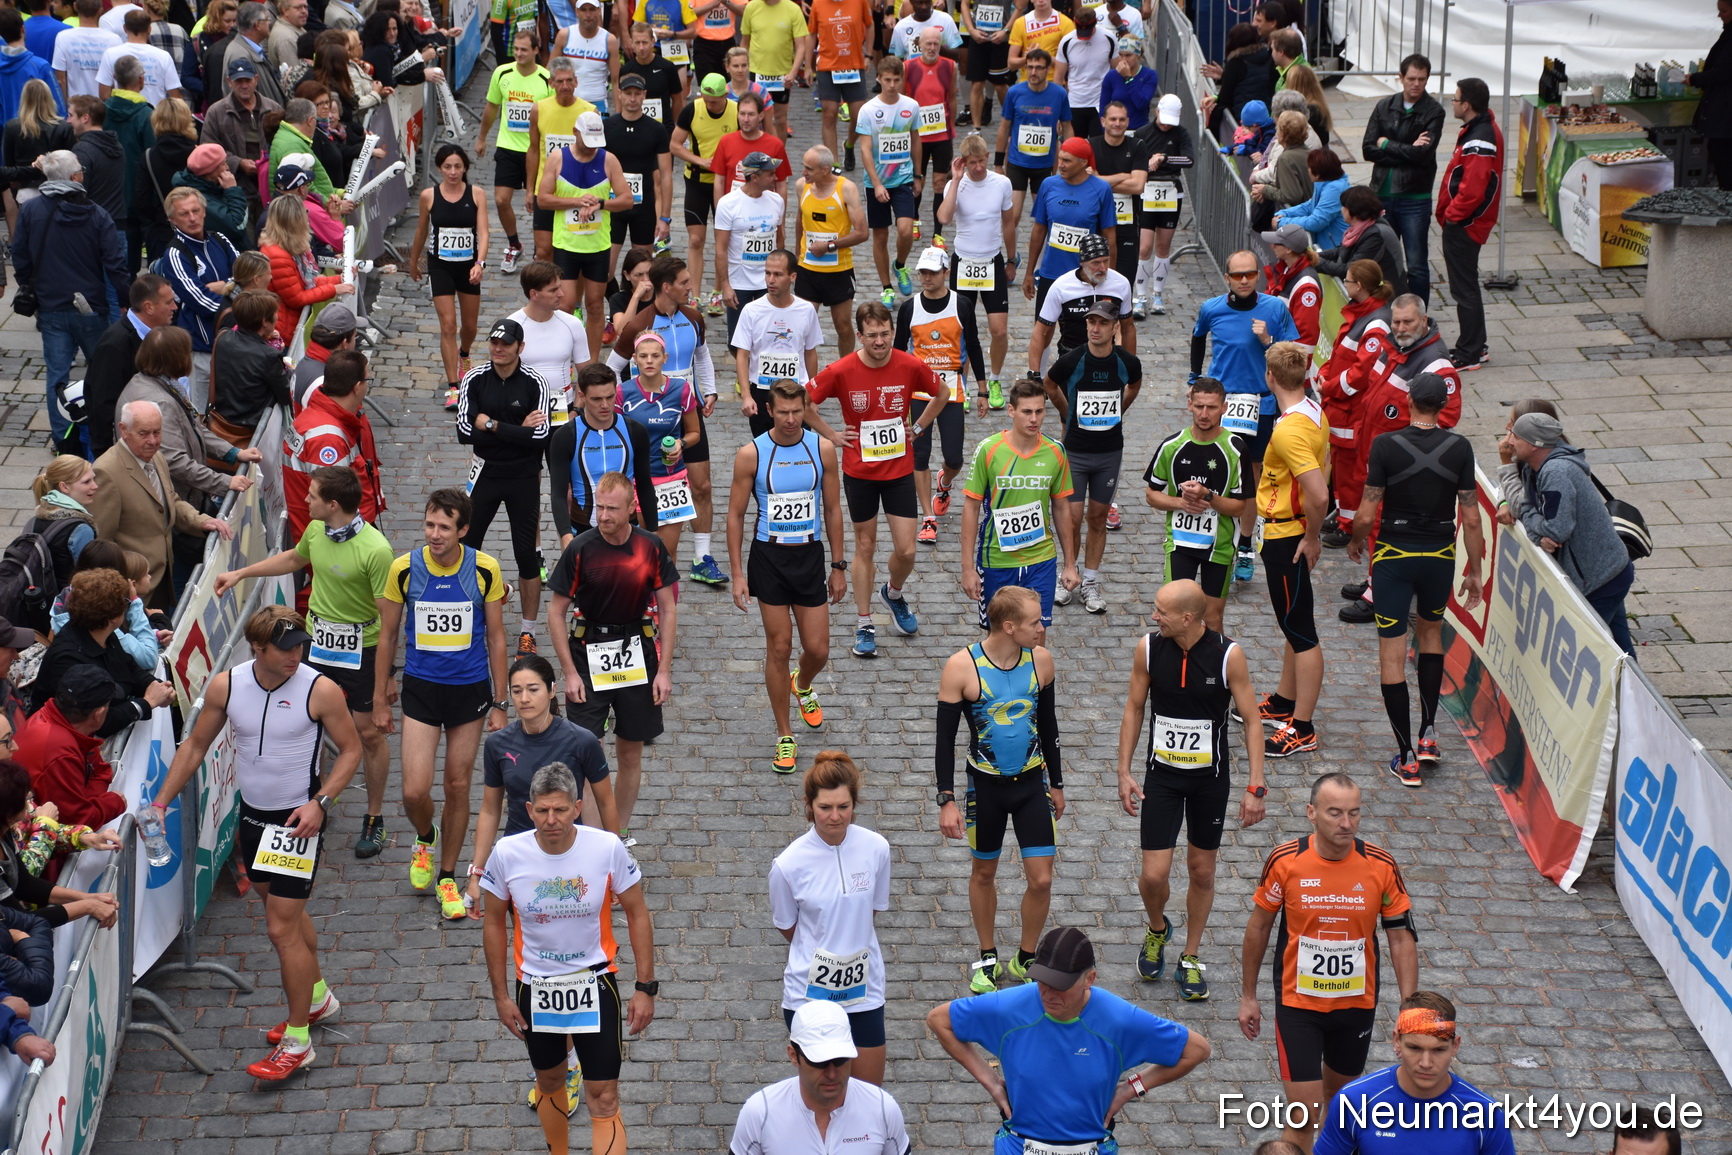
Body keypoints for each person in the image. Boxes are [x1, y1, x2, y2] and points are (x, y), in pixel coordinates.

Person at [151, 607, 361, 1080]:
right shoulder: (228, 685)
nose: (296, 654)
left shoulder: (319, 688)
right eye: (286, 648)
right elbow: (195, 747)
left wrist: (321, 803)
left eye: (300, 645)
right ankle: (318, 998)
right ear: (258, 649)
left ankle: (298, 1040)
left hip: (297, 823)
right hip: (252, 819)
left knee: (280, 928)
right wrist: (160, 804)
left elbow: (351, 750)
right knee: (287, 915)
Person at [214, 465, 395, 858]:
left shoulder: (377, 550)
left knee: (366, 734)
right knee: (312, 721)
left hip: (361, 647)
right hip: (316, 644)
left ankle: (374, 816)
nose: (304, 500)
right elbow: (294, 561)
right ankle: (316, 802)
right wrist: (241, 573)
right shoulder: (316, 530)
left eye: (312, 496)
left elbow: (392, 620)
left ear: (333, 504)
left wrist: (386, 683)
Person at [1239, 772, 1420, 1151]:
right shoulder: (1286, 861)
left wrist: (1410, 1007)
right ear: (1311, 813)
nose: (1346, 824)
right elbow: (1258, 928)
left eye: (1354, 813)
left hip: (1354, 1005)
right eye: (1335, 813)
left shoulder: (1381, 865)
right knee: (1304, 1112)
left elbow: (1400, 937)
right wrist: (1248, 995)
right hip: (1298, 1004)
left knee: (1339, 1109)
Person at [481, 762, 655, 1155]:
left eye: (560, 810)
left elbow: (637, 912)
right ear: (529, 811)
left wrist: (646, 987)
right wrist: (501, 996)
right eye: (542, 811)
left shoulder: (606, 847)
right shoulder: (507, 854)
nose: (551, 820)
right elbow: (493, 922)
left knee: (604, 1096)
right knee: (550, 1083)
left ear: (577, 808)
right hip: (536, 987)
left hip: (595, 981)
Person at [928, 925, 1211, 1152]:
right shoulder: (1009, 1007)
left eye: (1060, 986)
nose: (1048, 994)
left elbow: (1197, 1050)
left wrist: (1130, 1089)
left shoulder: (1120, 1020)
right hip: (1017, 1144)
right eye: (1042, 981)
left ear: (1090, 979)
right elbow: (939, 1020)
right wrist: (991, 1083)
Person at [1116, 578, 1266, 1000]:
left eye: (1161, 611)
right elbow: (1134, 707)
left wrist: (1256, 785)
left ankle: (1192, 955)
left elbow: (1252, 720)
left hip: (1209, 781)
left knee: (1202, 870)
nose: (1153, 616)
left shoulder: (1228, 656)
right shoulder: (1148, 648)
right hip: (1161, 776)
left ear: (1188, 618)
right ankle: (1158, 928)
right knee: (1154, 874)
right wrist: (1123, 771)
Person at [374, 485, 511, 918]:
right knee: (415, 789)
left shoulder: (485, 569)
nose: (435, 534)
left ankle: (448, 876)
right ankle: (424, 836)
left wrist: (501, 701)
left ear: (463, 530)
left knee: (456, 784)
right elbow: (390, 635)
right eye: (430, 525)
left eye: (445, 527)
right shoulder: (405, 569)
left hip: (469, 690)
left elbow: (495, 637)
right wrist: (381, 695)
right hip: (421, 688)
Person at [1348, 373, 1483, 786]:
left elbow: (1368, 513)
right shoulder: (1460, 447)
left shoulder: (1386, 445)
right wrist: (1474, 570)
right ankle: (1428, 735)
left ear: (1408, 400)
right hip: (1439, 556)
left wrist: (1356, 541)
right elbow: (1473, 517)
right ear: (1443, 405)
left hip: (1394, 556)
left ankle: (1405, 757)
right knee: (1429, 638)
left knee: (1391, 655)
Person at [804, 301, 949, 658]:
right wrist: (832, 435)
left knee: (907, 549)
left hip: (899, 469)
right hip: (860, 473)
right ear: (860, 336)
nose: (880, 341)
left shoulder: (909, 363)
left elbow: (942, 393)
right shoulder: (841, 370)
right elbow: (805, 402)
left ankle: (894, 593)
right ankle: (864, 622)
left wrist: (916, 427)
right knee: (865, 546)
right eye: (873, 335)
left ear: (892, 332)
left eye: (885, 334)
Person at [935, 586, 1062, 991]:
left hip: (1031, 784)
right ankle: (987, 955)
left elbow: (1049, 725)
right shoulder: (961, 667)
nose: (1041, 628)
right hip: (984, 789)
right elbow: (944, 741)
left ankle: (1026, 956)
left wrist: (1056, 782)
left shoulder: (1040, 661)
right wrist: (946, 800)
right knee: (984, 873)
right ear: (1009, 627)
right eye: (1034, 622)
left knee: (1041, 879)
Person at [544, 471, 682, 839]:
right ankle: (594, 840)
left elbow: (668, 609)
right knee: (585, 754)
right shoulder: (581, 548)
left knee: (631, 753)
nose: (602, 516)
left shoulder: (651, 547)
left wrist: (664, 670)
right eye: (598, 507)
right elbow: (555, 613)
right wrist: (570, 673)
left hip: (636, 652)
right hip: (588, 654)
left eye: (611, 509)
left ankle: (616, 836)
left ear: (632, 509)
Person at [726, 380, 846, 772]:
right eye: (783, 412)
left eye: (797, 412)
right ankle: (784, 735)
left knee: (819, 649)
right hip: (770, 559)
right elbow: (735, 515)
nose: (791, 420)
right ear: (769, 411)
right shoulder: (751, 455)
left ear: (805, 408)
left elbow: (831, 509)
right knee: (778, 647)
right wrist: (737, 574)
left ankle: (803, 684)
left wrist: (839, 565)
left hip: (809, 557)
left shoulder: (822, 448)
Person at [765, 752, 892, 1082]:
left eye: (843, 807)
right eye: (825, 808)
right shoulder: (788, 865)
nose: (835, 817)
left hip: (865, 990)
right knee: (823, 1093)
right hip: (809, 995)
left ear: (854, 804)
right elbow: (788, 927)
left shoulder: (876, 848)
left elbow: (872, 909)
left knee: (867, 1094)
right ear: (809, 805)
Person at [468, 655, 617, 915]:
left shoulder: (582, 741)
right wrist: (476, 875)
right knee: (526, 941)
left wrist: (616, 863)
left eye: (533, 689)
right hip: (520, 855)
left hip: (570, 853)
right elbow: (490, 810)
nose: (524, 698)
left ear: (551, 691)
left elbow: (606, 802)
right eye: (517, 691)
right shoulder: (497, 745)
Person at [611, 254, 728, 585]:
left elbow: (701, 358)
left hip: (685, 409)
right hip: (646, 418)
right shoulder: (638, 326)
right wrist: (624, 402)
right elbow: (611, 368)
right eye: (685, 283)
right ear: (667, 287)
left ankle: (702, 558)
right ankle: (641, 556)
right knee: (647, 487)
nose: (691, 287)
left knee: (702, 485)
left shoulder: (693, 318)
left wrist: (711, 392)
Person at [1191, 249, 1300, 583]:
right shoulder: (1212, 308)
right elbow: (1198, 338)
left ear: (1258, 276)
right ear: (1227, 277)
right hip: (1221, 404)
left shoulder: (1275, 308)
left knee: (1252, 477)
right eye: (1236, 275)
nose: (1243, 280)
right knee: (1215, 470)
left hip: (1261, 404)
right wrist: (1194, 381)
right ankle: (1212, 538)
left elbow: (1293, 357)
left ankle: (1245, 544)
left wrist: (1269, 340)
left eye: (1249, 274)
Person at [11, 149, 127, 453]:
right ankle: (103, 432)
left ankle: (64, 441)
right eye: (81, 171)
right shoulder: (97, 214)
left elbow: (20, 255)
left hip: (50, 306)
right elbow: (115, 263)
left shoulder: (32, 210)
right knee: (103, 373)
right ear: (75, 177)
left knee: (57, 375)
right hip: (91, 307)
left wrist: (30, 285)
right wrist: (127, 299)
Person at [456, 318, 555, 657]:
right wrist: (518, 431)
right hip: (483, 473)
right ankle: (470, 614)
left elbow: (540, 436)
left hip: (523, 477)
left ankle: (527, 632)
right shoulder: (473, 377)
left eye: (506, 344)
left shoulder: (535, 382)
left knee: (527, 555)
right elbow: (464, 432)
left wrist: (492, 424)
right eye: (494, 343)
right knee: (466, 546)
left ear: (520, 348)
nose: (498, 349)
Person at [1314, 990, 1515, 1155]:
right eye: (1415, 1048)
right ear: (1396, 1041)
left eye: (1438, 1050)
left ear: (1455, 1046)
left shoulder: (1487, 1116)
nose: (1426, 1063)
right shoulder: (1354, 1101)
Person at [1503, 411, 1637, 655]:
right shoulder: (1531, 468)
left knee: (1590, 650)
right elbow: (1530, 510)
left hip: (1601, 579)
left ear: (1534, 445)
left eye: (1516, 437)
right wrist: (1534, 526)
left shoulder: (1556, 474)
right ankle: (1632, 692)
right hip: (1607, 570)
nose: (1509, 441)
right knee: (1621, 647)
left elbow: (1556, 529)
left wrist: (1530, 520)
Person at [1253, 342, 1329, 759]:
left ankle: (1302, 725)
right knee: (1292, 619)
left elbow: (1318, 493)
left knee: (1301, 631)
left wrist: (1312, 536)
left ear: (1270, 378)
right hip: (1287, 530)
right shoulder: (1312, 411)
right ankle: (1285, 699)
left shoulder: (1286, 430)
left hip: (1287, 535)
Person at [1037, 299, 1137, 613]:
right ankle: (1067, 575)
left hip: (1109, 453)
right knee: (1072, 518)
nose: (1095, 328)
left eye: (1103, 323)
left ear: (1114, 328)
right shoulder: (1072, 360)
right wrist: (1066, 413)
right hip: (1076, 452)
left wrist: (1119, 411)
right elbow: (1050, 385)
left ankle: (1090, 581)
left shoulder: (1126, 362)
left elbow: (1133, 386)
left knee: (1097, 518)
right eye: (1091, 322)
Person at [958, 381, 1077, 639]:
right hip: (997, 560)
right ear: (1011, 411)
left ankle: (1040, 682)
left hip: (1041, 559)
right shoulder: (989, 450)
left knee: (1037, 634)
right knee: (999, 639)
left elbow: (1061, 507)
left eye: (1040, 411)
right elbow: (971, 507)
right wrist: (967, 568)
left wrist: (1069, 564)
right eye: (1027, 412)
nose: (1034, 419)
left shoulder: (1056, 452)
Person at [91, 399, 233, 610]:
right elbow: (102, 543)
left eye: (157, 432)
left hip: (161, 578)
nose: (153, 441)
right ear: (124, 430)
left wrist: (202, 521)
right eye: (144, 433)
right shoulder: (106, 472)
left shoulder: (156, 458)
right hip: (132, 593)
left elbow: (170, 500)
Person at [731, 1000, 909, 1154]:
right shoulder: (760, 1113)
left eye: (840, 1060)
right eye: (819, 1062)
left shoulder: (883, 1108)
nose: (831, 1074)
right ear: (793, 1055)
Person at [116, 325, 260, 512]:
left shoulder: (152, 382)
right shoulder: (160, 402)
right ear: (177, 359)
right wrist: (224, 482)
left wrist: (233, 453)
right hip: (171, 505)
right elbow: (175, 461)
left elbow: (192, 428)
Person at [1142, 380, 1247, 634]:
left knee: (1212, 618)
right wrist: (1181, 502)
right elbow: (1151, 494)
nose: (1204, 413)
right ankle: (1174, 673)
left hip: (1219, 548)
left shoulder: (1236, 449)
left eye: (1211, 407)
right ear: (1189, 404)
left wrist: (1208, 496)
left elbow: (1239, 508)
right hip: (1180, 545)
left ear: (1224, 407)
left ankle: (1212, 673)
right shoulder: (1172, 446)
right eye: (1199, 406)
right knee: (1173, 617)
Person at [896, 246, 983, 548]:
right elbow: (896, 352)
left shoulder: (961, 305)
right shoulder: (909, 307)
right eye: (923, 272)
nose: (927, 277)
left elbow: (973, 345)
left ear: (947, 273)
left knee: (954, 457)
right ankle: (927, 517)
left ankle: (943, 484)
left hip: (952, 391)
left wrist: (982, 388)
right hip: (919, 391)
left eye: (933, 272)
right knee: (919, 455)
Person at [539, 111, 635, 361]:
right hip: (567, 245)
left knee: (594, 305)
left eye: (596, 143)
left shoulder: (608, 160)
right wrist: (575, 201)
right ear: (575, 132)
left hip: (597, 246)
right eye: (587, 142)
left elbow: (627, 199)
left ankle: (592, 362)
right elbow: (543, 199)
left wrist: (601, 204)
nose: (592, 148)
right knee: (566, 305)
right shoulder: (558, 158)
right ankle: (565, 358)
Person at [1315, 259, 1393, 546]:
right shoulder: (1363, 315)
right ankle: (1343, 516)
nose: (1344, 284)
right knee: (1340, 467)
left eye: (1347, 281)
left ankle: (1349, 527)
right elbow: (1339, 357)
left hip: (1352, 412)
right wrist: (1325, 376)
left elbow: (1359, 376)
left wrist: (1329, 388)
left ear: (1359, 286)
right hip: (1340, 407)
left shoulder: (1375, 325)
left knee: (1350, 473)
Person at [0, 749, 120, 937]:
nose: (31, 797)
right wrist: (88, 906)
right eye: (25, 797)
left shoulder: (4, 829)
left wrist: (87, 897)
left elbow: (24, 883)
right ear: (8, 814)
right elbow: (20, 921)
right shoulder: (6, 823)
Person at [408, 143, 488, 408]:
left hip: (468, 268)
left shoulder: (476, 194)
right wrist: (413, 262)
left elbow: (484, 232)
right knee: (448, 325)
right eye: (447, 167)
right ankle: (454, 387)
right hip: (440, 266)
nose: (453, 172)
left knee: (470, 327)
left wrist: (480, 263)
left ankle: (464, 353)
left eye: (457, 166)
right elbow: (421, 230)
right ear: (440, 168)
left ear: (465, 167)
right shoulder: (429, 196)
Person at [937, 132, 1013, 407]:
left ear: (988, 158)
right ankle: (963, 384)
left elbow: (1008, 223)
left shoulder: (1001, 183)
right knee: (962, 329)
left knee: (999, 330)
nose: (978, 167)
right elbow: (944, 217)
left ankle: (993, 379)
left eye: (982, 161)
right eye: (972, 163)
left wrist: (1012, 259)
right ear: (963, 162)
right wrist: (956, 181)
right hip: (964, 263)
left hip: (991, 261)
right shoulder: (954, 185)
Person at [283, 349, 385, 547]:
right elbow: (333, 512)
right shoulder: (328, 439)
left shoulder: (317, 415)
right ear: (357, 387)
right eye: (367, 381)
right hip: (340, 549)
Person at [1363, 54, 1444, 302]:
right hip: (1382, 195)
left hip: (1414, 197)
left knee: (1417, 263)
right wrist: (1408, 148)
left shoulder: (1434, 112)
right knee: (1383, 259)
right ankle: (1386, 310)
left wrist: (1386, 144)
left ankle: (1418, 315)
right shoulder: (1384, 106)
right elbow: (1368, 149)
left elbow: (1422, 155)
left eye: (1421, 79)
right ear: (1401, 78)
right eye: (1411, 78)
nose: (1416, 84)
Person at [549, 364, 659, 541]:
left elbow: (645, 485)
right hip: (582, 532)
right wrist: (566, 536)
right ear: (582, 396)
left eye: (610, 397)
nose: (605, 405)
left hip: (627, 530)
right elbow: (558, 494)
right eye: (597, 399)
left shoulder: (635, 431)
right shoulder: (565, 437)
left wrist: (654, 533)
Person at [18, 656, 135, 820]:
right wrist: (116, 802)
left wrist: (90, 799)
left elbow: (100, 771)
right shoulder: (60, 751)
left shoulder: (59, 720)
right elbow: (75, 820)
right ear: (99, 714)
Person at [1436, 77, 1501, 372]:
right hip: (1465, 222)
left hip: (1465, 224)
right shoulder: (1478, 130)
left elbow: (1473, 188)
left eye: (1455, 98)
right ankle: (1476, 344)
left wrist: (1453, 216)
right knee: (1466, 285)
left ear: (1467, 105)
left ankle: (1470, 352)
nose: (1452, 102)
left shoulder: (1480, 137)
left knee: (1464, 288)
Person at [476, 27, 552, 275]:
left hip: (536, 150)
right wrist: (482, 137)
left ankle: (539, 250)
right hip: (508, 146)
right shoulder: (502, 73)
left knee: (537, 203)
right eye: (516, 49)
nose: (518, 54)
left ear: (535, 51)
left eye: (524, 50)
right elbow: (491, 108)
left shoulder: (545, 78)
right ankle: (513, 243)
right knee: (500, 199)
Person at [1025, 136, 1116, 323]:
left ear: (1083, 162)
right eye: (1059, 159)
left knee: (1084, 332)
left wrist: (1110, 276)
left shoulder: (1101, 189)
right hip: (1050, 272)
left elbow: (1110, 237)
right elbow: (1039, 230)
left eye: (1067, 160)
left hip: (1085, 275)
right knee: (1042, 330)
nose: (1061, 165)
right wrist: (1029, 273)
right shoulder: (1048, 185)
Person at [84, 272, 175, 457]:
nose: (175, 307)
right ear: (149, 307)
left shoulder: (155, 334)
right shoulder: (116, 344)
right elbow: (103, 405)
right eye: (168, 302)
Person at [733, 249, 822, 439]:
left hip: (797, 390)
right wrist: (746, 396)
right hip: (762, 391)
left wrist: (813, 395)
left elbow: (810, 352)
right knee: (764, 449)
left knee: (800, 447)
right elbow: (742, 355)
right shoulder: (751, 310)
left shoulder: (806, 311)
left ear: (792, 277)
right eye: (767, 273)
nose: (770, 280)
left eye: (777, 274)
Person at [157, 184, 240, 386]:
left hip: (236, 343)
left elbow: (250, 278)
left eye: (196, 211)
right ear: (172, 220)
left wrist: (226, 286)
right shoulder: (175, 254)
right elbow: (202, 302)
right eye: (184, 214)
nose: (192, 218)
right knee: (202, 413)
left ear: (204, 212)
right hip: (203, 350)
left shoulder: (220, 240)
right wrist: (240, 303)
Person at [669, 73, 739, 314]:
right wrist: (701, 160)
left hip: (727, 185)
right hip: (697, 181)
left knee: (724, 240)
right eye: (706, 100)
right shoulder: (691, 110)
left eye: (715, 101)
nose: (710, 105)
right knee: (696, 240)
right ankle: (695, 296)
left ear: (725, 95)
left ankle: (718, 293)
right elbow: (675, 145)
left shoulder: (737, 111)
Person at [855, 54, 921, 304]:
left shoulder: (911, 106)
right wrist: (877, 183)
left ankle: (900, 264)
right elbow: (864, 149)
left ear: (902, 80)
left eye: (896, 80)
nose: (892, 85)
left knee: (906, 230)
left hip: (903, 179)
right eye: (887, 80)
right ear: (879, 79)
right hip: (877, 183)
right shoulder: (868, 110)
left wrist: (917, 174)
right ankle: (886, 287)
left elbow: (916, 139)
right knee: (880, 236)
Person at [791, 145, 868, 360]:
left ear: (825, 170)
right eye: (804, 167)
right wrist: (798, 254)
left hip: (838, 269)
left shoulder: (846, 189)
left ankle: (845, 368)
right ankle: (803, 377)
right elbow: (800, 220)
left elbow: (862, 233)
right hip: (808, 270)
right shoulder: (801, 186)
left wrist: (829, 246)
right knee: (802, 327)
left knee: (843, 327)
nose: (803, 173)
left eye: (809, 169)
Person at [525, 56, 597, 266]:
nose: (565, 86)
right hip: (546, 189)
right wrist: (530, 190)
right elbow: (533, 150)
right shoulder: (539, 109)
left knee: (575, 251)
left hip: (576, 190)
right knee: (544, 250)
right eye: (560, 81)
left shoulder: (589, 111)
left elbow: (595, 153)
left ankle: (571, 297)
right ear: (551, 83)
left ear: (576, 81)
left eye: (569, 81)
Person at [603, 72, 673, 280]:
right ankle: (616, 309)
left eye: (636, 94)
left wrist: (665, 218)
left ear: (644, 95)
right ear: (620, 94)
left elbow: (667, 175)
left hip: (643, 208)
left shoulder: (657, 130)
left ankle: (635, 311)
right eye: (628, 93)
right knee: (605, 272)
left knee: (644, 273)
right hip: (613, 206)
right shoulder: (608, 127)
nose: (632, 98)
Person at [1027, 232, 1132, 371]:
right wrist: (1034, 373)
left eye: (1106, 261)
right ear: (1082, 263)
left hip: (1107, 360)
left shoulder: (1121, 283)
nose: (1103, 268)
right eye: (1096, 263)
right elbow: (1041, 332)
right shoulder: (1061, 286)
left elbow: (1128, 328)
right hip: (1070, 359)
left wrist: (1131, 368)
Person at [713, 149, 786, 339]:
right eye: (770, 173)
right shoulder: (728, 203)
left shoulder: (777, 200)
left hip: (768, 282)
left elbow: (780, 239)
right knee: (737, 340)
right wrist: (725, 286)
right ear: (754, 177)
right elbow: (720, 249)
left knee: (768, 336)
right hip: (740, 283)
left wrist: (781, 277)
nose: (775, 177)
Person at [507, 261, 589, 427]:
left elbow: (587, 374)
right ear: (534, 294)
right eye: (553, 290)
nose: (561, 294)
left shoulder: (572, 324)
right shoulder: (512, 325)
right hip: (524, 409)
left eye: (560, 287)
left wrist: (577, 411)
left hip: (562, 409)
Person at [1131, 93, 1191, 318]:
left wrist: (1164, 158)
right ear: (1156, 112)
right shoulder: (1142, 133)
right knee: (1144, 247)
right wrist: (1147, 163)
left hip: (1170, 193)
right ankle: (1140, 296)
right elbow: (1134, 161)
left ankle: (1157, 294)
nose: (1166, 125)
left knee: (1163, 247)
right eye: (1163, 119)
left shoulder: (1181, 133)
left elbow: (1189, 160)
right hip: (1147, 192)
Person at [206, 287, 292, 442]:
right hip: (251, 433)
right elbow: (285, 395)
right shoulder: (269, 355)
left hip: (219, 421)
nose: (277, 317)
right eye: (275, 313)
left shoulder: (223, 337)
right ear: (265, 321)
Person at [995, 47, 1066, 234]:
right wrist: (997, 163)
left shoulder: (1059, 94)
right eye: (1030, 67)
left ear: (1048, 69)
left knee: (1045, 218)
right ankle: (1011, 257)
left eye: (1039, 68)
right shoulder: (1014, 92)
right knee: (1013, 215)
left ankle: (1042, 261)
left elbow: (1068, 126)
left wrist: (1069, 157)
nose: (1033, 72)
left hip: (1044, 165)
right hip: (1017, 163)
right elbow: (1004, 126)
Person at [1087, 101, 1144, 310]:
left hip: (1127, 228)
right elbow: (1089, 185)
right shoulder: (1091, 145)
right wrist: (1122, 176)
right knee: (1093, 288)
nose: (1117, 123)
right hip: (1097, 228)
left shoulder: (1137, 146)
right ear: (1103, 121)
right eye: (1113, 119)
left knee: (1122, 287)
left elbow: (1138, 186)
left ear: (1128, 122)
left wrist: (1101, 180)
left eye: (1122, 119)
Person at [904, 28, 955, 238]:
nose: (932, 48)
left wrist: (951, 127)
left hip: (942, 136)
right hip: (918, 137)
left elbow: (951, 97)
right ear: (920, 44)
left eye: (936, 44)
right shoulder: (908, 67)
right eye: (928, 44)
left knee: (939, 183)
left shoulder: (949, 66)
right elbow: (903, 99)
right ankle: (915, 219)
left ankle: (937, 233)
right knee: (918, 180)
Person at [809, 0, 872, 168]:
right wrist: (808, 66)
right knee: (829, 114)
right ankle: (834, 163)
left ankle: (849, 144)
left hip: (854, 65)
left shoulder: (859, 2)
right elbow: (811, 34)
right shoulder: (818, 3)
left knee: (859, 117)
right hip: (827, 66)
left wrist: (869, 55)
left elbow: (870, 25)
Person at [1313, 184, 1407, 295]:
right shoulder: (1363, 227)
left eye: (1344, 206)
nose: (1341, 210)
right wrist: (1316, 256)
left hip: (1386, 298)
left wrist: (1317, 262)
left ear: (1353, 211)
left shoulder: (1375, 235)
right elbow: (1343, 249)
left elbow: (1351, 270)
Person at [738, 0, 807, 140]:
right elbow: (745, 42)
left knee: (780, 120)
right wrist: (742, 70)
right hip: (756, 73)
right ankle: (753, 155)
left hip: (782, 76)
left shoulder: (793, 9)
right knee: (752, 118)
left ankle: (778, 157)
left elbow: (801, 47)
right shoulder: (752, 7)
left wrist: (793, 73)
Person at [710, 89, 790, 200]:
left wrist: (781, 216)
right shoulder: (725, 142)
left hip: (764, 210)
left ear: (761, 116)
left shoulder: (775, 145)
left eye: (751, 114)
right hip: (734, 210)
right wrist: (720, 213)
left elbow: (781, 185)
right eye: (742, 114)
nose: (746, 119)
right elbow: (719, 182)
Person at [1201, 22, 1274, 136]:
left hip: (1243, 120)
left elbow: (1225, 98)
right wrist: (1225, 76)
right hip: (1266, 116)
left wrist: (1224, 82)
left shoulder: (1236, 63)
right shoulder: (1268, 57)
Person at [96, 9, 180, 106]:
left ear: (124, 28)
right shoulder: (163, 56)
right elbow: (175, 97)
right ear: (149, 29)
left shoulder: (110, 54)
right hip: (154, 117)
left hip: (121, 116)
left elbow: (104, 95)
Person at [551, 0, 620, 116]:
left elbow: (615, 81)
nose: (588, 15)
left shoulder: (609, 40)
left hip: (597, 105)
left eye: (592, 9)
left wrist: (619, 116)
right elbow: (550, 72)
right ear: (577, 12)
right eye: (584, 10)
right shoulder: (565, 35)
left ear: (599, 11)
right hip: (567, 102)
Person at [1272, 147, 1348, 251]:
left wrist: (1283, 222)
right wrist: (1285, 213)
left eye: (1309, 167)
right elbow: (1309, 205)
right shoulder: (1323, 184)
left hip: (1335, 249)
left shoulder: (1334, 189)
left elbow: (1316, 222)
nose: (1308, 170)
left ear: (1317, 174)